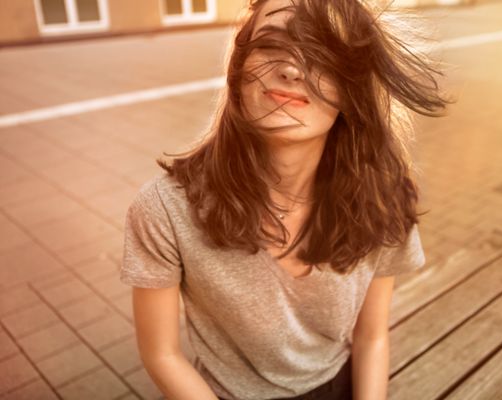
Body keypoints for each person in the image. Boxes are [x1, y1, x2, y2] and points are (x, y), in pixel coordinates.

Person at [120, 0, 449, 399]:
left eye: (321, 53)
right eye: (270, 45)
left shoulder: (384, 197)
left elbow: (371, 338)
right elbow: (162, 355)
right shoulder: (165, 210)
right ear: (238, 70)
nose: (292, 68)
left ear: (352, 88)